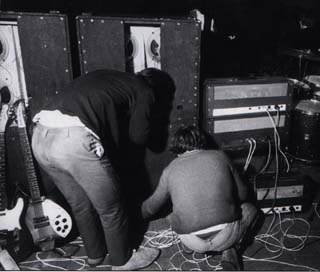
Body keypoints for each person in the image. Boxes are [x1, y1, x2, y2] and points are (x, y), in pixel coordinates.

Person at [31, 68, 175, 269]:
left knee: (81, 204)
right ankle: (122, 260)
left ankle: (95, 256)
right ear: (156, 88)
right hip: (71, 139)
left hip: (39, 136)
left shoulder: (108, 76)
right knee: (112, 208)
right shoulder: (145, 90)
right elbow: (140, 137)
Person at [141, 126, 260, 271]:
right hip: (226, 236)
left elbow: (151, 207)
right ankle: (231, 250)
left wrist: (131, 216)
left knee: (172, 214)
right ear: (202, 142)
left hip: (192, 241)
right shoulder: (220, 156)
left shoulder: (170, 169)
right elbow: (243, 195)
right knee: (251, 209)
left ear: (176, 150)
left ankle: (187, 245)